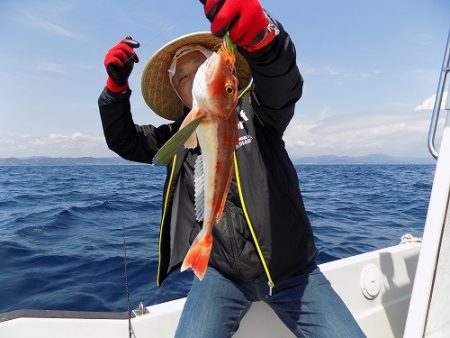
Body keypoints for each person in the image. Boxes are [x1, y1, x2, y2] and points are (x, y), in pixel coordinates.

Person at [98, 0, 366, 337]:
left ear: (231, 82)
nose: (194, 75)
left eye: (202, 65)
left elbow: (283, 84)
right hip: (220, 273)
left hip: (292, 271)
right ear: (181, 94)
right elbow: (123, 140)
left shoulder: (258, 113)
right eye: (183, 76)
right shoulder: (177, 136)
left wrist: (265, 39)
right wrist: (115, 90)